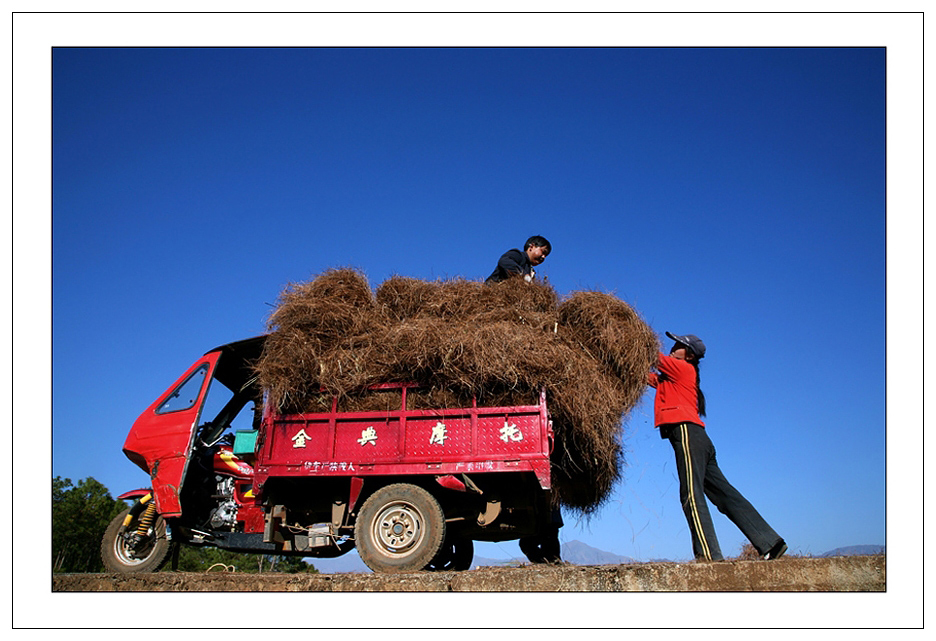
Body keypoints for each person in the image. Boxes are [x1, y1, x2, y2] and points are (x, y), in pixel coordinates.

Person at [646, 331, 787, 562]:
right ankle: (770, 542)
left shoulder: (681, 368)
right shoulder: (672, 377)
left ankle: (708, 556)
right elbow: (647, 376)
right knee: (724, 493)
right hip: (700, 438)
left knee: (691, 493)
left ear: (689, 355)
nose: (673, 346)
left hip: (687, 432)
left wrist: (627, 339)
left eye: (678, 344)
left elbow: (649, 356)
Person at [485, 235, 551, 284]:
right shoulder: (518, 255)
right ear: (532, 246)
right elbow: (504, 261)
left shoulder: (531, 270)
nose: (543, 257)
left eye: (546, 255)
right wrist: (524, 275)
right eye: (543, 252)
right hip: (492, 292)